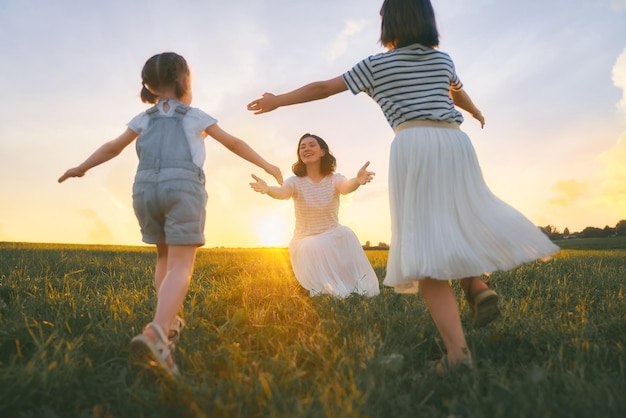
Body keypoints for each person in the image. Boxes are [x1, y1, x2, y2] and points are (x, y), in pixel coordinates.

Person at [246, 0, 559, 375]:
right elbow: (456, 92)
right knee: (453, 223)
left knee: (423, 247)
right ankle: (475, 285)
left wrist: (277, 101)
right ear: (428, 21)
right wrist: (474, 112)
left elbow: (323, 88)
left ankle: (458, 356)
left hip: (414, 143)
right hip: (456, 142)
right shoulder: (443, 60)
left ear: (388, 23)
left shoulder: (376, 65)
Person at [58, 52, 283, 377]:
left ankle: (169, 321)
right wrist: (267, 164)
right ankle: (157, 333)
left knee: (164, 257)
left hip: (145, 190)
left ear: (148, 85)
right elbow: (233, 142)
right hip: (181, 188)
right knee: (182, 264)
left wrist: (81, 167)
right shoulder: (194, 116)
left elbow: (111, 148)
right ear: (184, 81)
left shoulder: (143, 119)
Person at [249, 133, 380, 298]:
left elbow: (346, 187)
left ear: (323, 152)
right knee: (317, 244)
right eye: (302, 147)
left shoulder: (334, 179)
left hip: (332, 233)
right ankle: (329, 288)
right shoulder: (295, 181)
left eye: (312, 145)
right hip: (306, 241)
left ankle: (353, 284)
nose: (306, 149)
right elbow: (283, 192)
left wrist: (357, 181)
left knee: (346, 233)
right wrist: (268, 190)